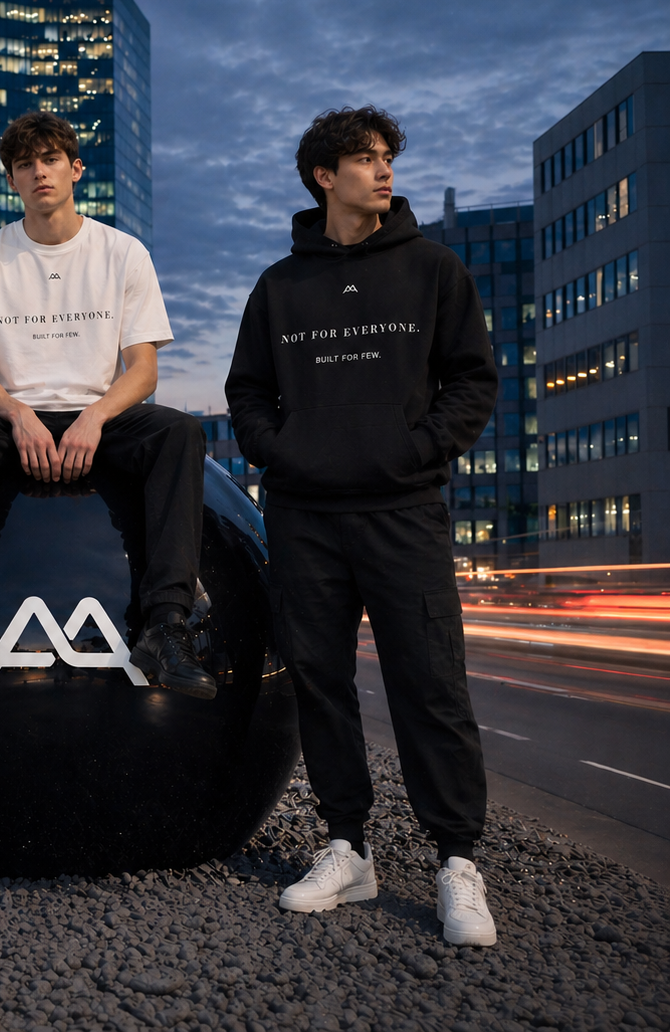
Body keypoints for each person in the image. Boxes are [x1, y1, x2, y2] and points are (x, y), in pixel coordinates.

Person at [225, 106, 500, 947]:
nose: (384, 172)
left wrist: (416, 450)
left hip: (404, 512)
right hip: (306, 517)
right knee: (321, 686)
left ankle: (456, 861)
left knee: (431, 686)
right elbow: (247, 394)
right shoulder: (282, 285)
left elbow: (473, 382)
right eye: (367, 160)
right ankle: (348, 848)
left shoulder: (433, 271)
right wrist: (286, 455)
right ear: (323, 176)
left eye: (387, 159)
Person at [0, 111, 214, 699]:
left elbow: (143, 369)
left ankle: (167, 625)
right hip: (13, 420)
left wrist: (95, 416)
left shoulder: (122, 253)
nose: (39, 173)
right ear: (11, 180)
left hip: (99, 416)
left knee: (179, 434)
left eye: (51, 160)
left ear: (75, 169)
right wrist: (17, 414)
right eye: (25, 165)